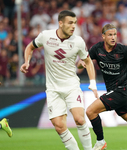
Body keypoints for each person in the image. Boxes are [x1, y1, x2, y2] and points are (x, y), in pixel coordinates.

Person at [20, 10, 98, 150]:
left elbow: (88, 61)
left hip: (71, 86)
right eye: (70, 23)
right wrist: (27, 61)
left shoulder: (78, 41)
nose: (73, 26)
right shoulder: (46, 36)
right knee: (59, 126)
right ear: (60, 23)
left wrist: (92, 83)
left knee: (80, 119)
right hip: (53, 88)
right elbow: (30, 47)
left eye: (74, 23)